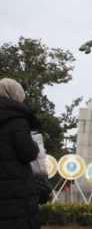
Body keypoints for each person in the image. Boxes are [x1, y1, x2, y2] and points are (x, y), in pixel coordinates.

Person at [0, 78, 41, 228]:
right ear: (16, 94)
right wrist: (36, 145)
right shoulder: (16, 119)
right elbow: (28, 153)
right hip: (14, 190)